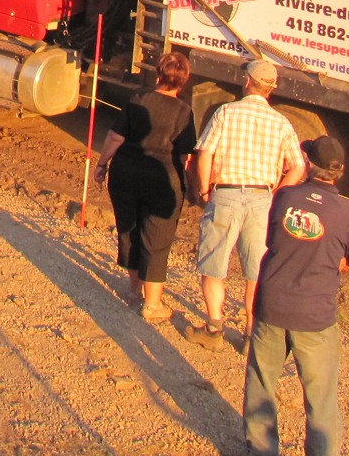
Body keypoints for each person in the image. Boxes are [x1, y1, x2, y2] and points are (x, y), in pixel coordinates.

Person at [241, 136, 349, 456]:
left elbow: (274, 238)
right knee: (320, 398)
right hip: (315, 315)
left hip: (273, 304)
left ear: (308, 164)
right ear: (340, 171)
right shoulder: (348, 212)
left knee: (262, 381)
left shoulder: (285, 197)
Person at [188, 58, 307, 350]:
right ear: (271, 89)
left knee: (214, 264)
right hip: (262, 199)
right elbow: (298, 167)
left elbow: (204, 154)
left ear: (247, 82)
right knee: (255, 271)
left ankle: (214, 329)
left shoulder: (226, 113)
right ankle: (251, 334)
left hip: (226, 193)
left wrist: (205, 191)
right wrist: (277, 193)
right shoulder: (281, 122)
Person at [94, 50, 196, 321]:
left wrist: (102, 165)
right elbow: (186, 156)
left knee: (129, 230)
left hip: (126, 174)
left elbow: (115, 137)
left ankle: (133, 291)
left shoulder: (138, 99)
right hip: (163, 181)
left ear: (159, 74)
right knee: (157, 239)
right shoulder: (185, 112)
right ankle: (152, 305)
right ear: (183, 81)